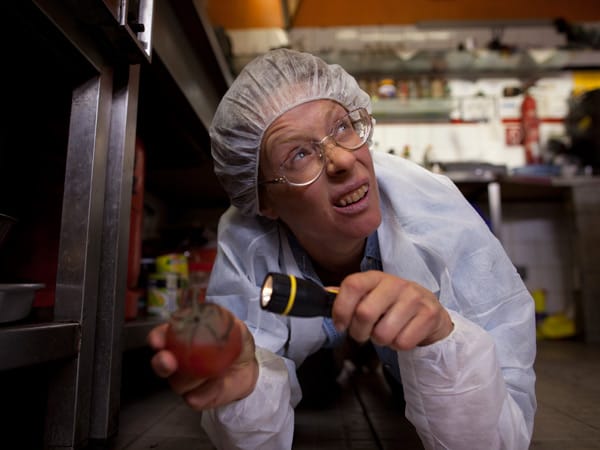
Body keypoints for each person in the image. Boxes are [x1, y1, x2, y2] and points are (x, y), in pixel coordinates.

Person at [148, 48, 537, 449]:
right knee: (311, 386)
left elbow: (503, 433)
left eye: (342, 128)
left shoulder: (437, 213)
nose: (342, 161)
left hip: (403, 367)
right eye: (298, 154)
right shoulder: (246, 239)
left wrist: (440, 336)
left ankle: (372, 356)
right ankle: (340, 353)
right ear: (264, 201)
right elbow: (244, 400)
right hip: (314, 363)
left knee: (416, 378)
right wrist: (247, 390)